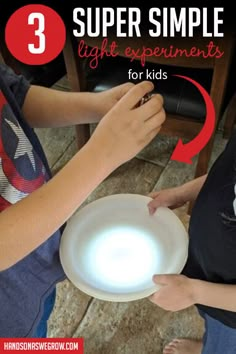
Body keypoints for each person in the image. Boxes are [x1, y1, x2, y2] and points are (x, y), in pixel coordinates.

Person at [0, 63, 165, 337]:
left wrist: (98, 105)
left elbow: (14, 95)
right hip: (9, 315)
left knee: (41, 318)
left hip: (35, 265)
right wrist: (101, 154)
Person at [148, 131, 236, 354]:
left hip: (231, 315)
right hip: (208, 269)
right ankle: (209, 344)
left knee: (224, 343)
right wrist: (182, 193)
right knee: (211, 321)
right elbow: (226, 172)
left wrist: (195, 292)